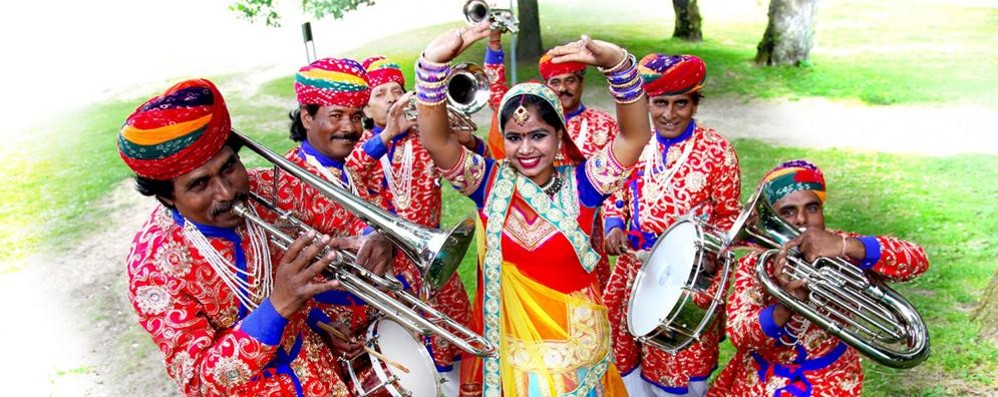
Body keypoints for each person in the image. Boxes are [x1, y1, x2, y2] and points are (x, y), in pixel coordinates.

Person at [414, 21, 653, 396]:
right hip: (514, 366)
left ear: (560, 136)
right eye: (514, 138)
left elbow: (634, 136)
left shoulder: (584, 186)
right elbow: (436, 140)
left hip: (577, 364)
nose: (526, 150)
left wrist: (619, 65)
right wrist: (432, 65)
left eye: (539, 135)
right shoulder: (487, 184)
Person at [121, 78, 393, 396]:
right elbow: (199, 382)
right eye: (199, 185)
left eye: (229, 167)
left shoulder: (269, 187)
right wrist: (278, 306)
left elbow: (351, 221)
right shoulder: (151, 265)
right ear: (167, 198)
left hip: (323, 377)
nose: (226, 192)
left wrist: (377, 235)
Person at [708, 160, 930, 396]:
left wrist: (849, 246)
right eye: (788, 211)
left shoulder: (840, 245)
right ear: (771, 216)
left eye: (812, 208)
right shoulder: (755, 264)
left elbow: (917, 261)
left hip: (832, 379)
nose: (802, 219)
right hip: (761, 381)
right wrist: (786, 305)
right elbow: (740, 334)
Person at [601, 53, 742, 397]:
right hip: (635, 272)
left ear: (695, 103)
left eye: (681, 103)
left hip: (688, 280)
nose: (669, 114)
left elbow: (729, 216)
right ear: (647, 102)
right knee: (627, 363)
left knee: (679, 368)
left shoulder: (717, 152)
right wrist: (614, 226)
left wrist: (710, 253)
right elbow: (614, 194)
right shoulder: (634, 145)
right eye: (660, 103)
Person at [346, 55, 481, 396]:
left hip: (436, 265)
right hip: (389, 271)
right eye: (381, 94)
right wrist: (387, 135)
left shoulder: (424, 140)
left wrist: (458, 137)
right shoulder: (359, 146)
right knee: (406, 359)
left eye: (397, 90)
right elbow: (348, 172)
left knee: (455, 343)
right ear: (365, 108)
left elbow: (466, 164)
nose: (392, 98)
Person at [481, 29, 619, 159]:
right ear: (546, 86)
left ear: (581, 83)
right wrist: (494, 41)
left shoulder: (604, 124)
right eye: (555, 82)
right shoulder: (530, 118)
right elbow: (496, 94)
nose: (563, 88)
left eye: (570, 81)